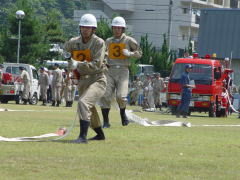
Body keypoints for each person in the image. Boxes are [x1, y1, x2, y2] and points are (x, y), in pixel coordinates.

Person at [65, 13, 107, 143]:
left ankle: (82, 137)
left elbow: (97, 64)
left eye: (88, 27)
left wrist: (78, 63)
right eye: (83, 27)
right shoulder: (73, 42)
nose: (85, 29)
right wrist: (69, 61)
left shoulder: (99, 43)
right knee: (90, 108)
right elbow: (66, 52)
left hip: (97, 79)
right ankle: (100, 134)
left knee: (83, 103)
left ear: (93, 29)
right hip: (82, 79)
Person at [99, 16, 142, 128]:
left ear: (123, 29)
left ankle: (123, 115)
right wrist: (104, 59)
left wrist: (130, 54)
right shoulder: (108, 41)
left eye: (119, 28)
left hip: (123, 70)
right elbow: (103, 54)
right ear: (112, 28)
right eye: (115, 28)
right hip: (110, 70)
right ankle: (106, 121)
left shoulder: (129, 40)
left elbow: (139, 53)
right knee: (105, 95)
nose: (117, 30)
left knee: (121, 96)